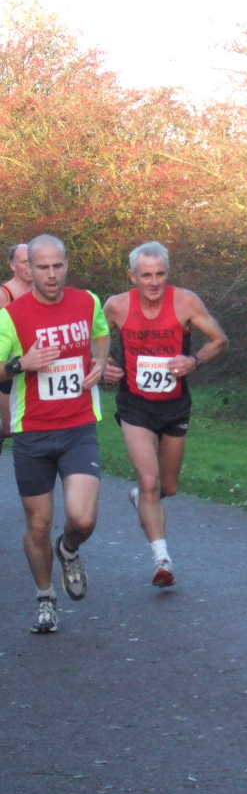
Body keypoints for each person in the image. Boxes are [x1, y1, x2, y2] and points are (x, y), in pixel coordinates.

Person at [0, 234, 110, 633]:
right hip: (32, 433)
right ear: (28, 269)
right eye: (42, 267)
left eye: (57, 266)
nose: (50, 275)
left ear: (67, 265)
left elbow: (101, 333)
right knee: (38, 524)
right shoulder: (11, 316)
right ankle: (45, 598)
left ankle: (69, 548)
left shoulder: (88, 301)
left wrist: (100, 361)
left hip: (79, 426)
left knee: (82, 518)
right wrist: (21, 364)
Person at [103, 241, 228, 588]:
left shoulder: (185, 302)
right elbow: (92, 340)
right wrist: (104, 366)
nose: (154, 282)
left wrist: (194, 361)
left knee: (167, 487)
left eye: (160, 274)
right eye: (146, 275)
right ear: (132, 276)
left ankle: (143, 499)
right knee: (149, 481)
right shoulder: (116, 306)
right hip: (135, 405)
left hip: (174, 405)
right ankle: (162, 560)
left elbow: (219, 339)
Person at [1, 244, 33, 444]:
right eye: (25, 262)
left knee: (25, 428)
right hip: (7, 370)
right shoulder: (4, 295)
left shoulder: (43, 291)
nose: (30, 266)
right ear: (12, 265)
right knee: (9, 429)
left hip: (33, 368)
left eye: (33, 261)